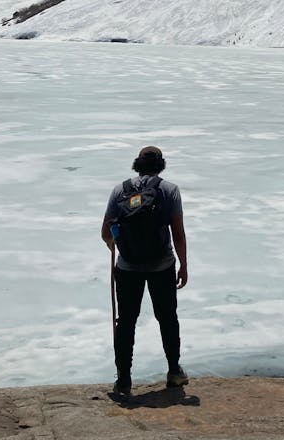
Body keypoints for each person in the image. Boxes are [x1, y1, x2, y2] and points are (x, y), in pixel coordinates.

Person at [101, 145, 188, 396]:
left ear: (136, 164)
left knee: (126, 322)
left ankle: (124, 380)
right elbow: (178, 234)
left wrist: (120, 244)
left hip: (127, 267)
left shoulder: (120, 190)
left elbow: (106, 233)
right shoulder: (169, 190)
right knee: (167, 318)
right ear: (161, 165)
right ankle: (174, 371)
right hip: (162, 264)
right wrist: (183, 265)